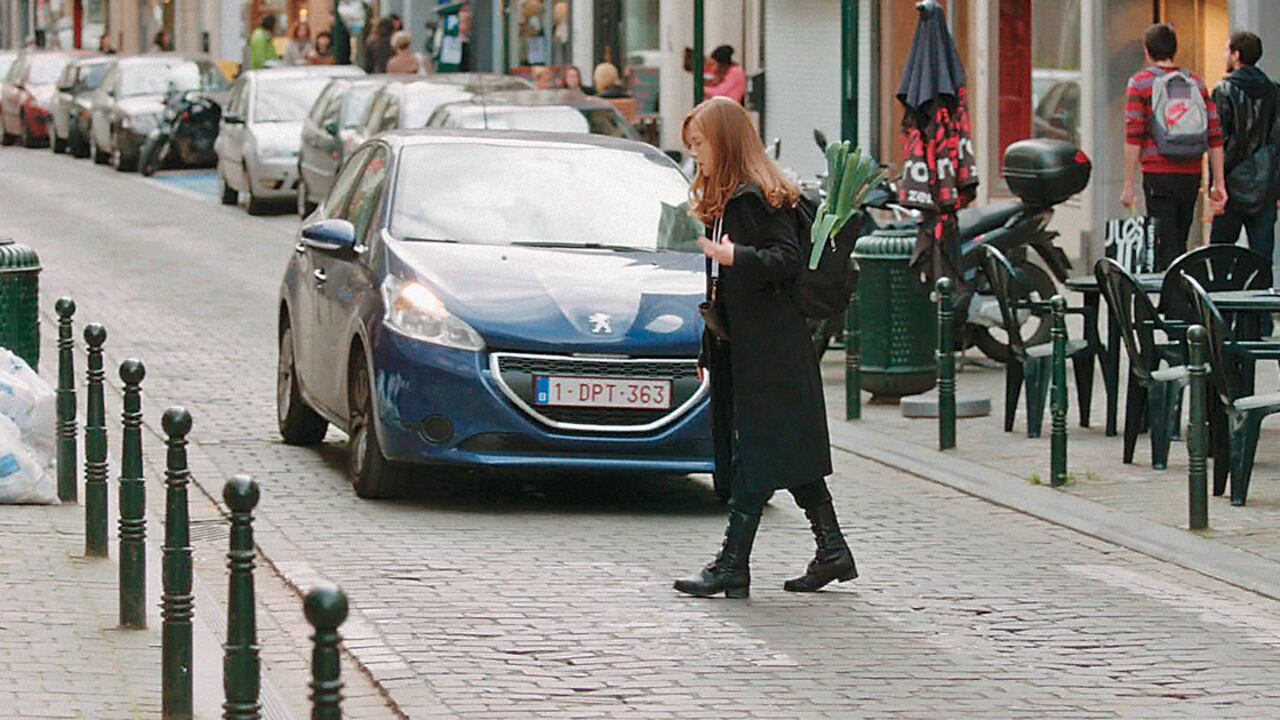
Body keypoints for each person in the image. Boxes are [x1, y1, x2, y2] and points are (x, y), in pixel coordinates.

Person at [673, 97, 857, 599]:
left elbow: (786, 259)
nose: (696, 156)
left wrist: (735, 255)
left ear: (726, 144)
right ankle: (832, 550)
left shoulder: (753, 197)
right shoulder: (741, 193)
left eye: (700, 144)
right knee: (787, 452)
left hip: (769, 351)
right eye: (691, 146)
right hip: (763, 346)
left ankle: (731, 565)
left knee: (755, 456)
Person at [1121, 23, 1227, 271]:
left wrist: (1128, 184)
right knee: (1180, 238)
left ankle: (1171, 305)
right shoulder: (1196, 83)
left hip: (1157, 174)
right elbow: (1214, 135)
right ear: (1174, 50)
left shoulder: (1140, 83)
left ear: (1147, 51)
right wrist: (1218, 182)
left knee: (1162, 242)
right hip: (1190, 173)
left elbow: (1133, 134)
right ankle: (1182, 301)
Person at [1210, 31, 1279, 274]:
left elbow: (1219, 141)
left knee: (1220, 254)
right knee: (1262, 258)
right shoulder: (1274, 91)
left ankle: (1223, 309)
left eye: (1227, 50)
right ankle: (1258, 311)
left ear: (1236, 55)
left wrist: (1215, 184)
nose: (1224, 55)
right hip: (1265, 184)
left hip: (1231, 184)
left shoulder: (1223, 91)